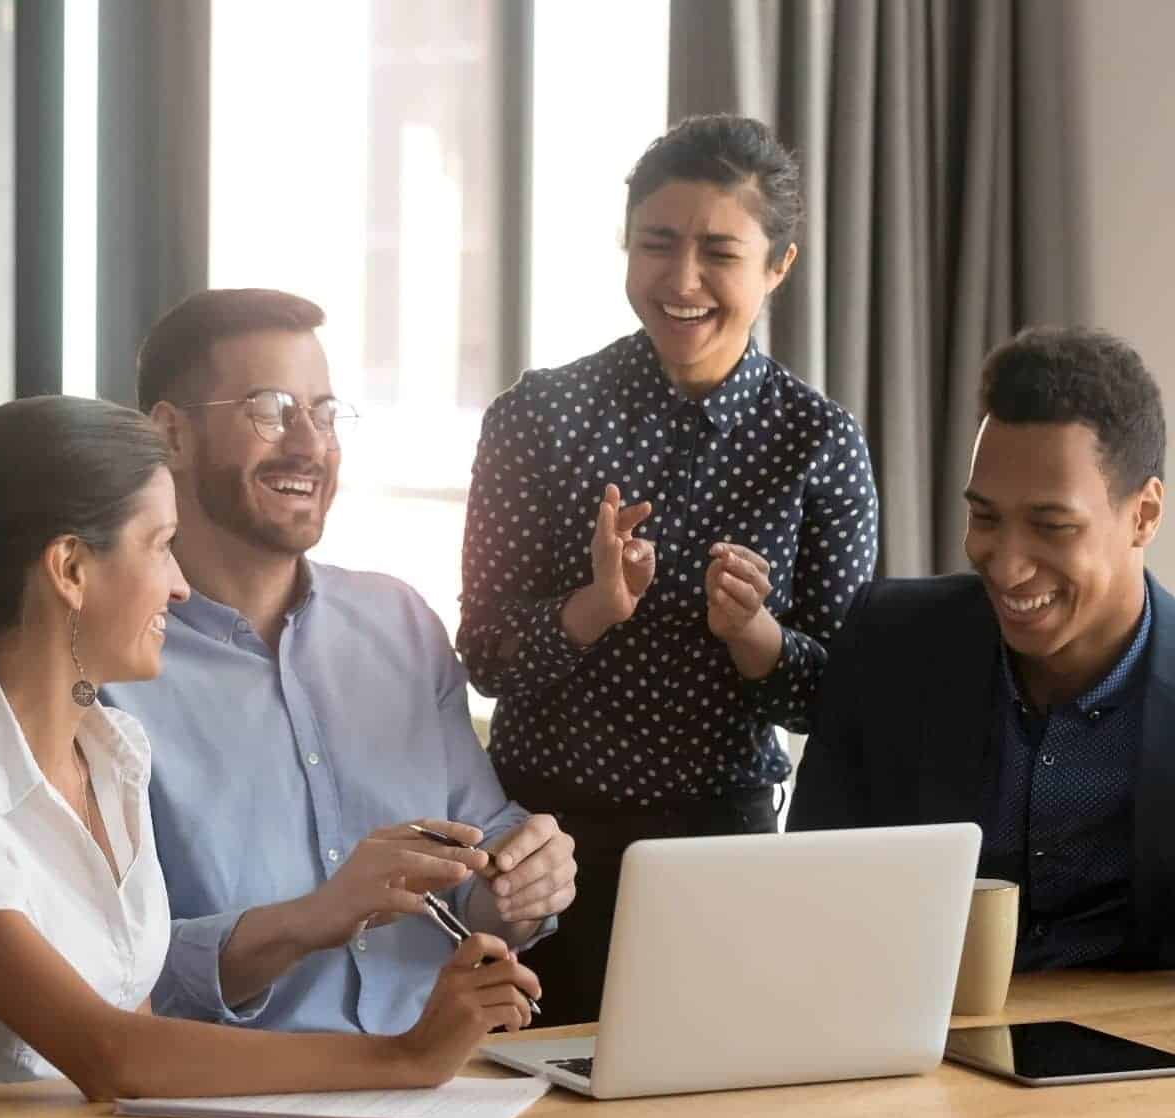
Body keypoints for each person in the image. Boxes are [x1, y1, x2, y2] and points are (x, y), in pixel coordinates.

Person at [0, 395, 539, 1096]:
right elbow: (109, 1053)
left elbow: (145, 1032)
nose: (180, 587)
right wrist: (406, 1058)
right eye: (159, 547)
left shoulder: (115, 752)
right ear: (70, 569)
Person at [457, 114, 879, 1024]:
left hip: (719, 845)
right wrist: (591, 609)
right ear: (627, 244)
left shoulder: (820, 442)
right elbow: (483, 654)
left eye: (719, 252)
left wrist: (757, 640)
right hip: (538, 845)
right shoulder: (536, 417)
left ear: (778, 267)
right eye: (658, 243)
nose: (682, 281)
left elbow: (844, 699)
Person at [102, 289, 575, 1037]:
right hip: (225, 1112)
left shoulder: (402, 624)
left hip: (450, 1083)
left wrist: (522, 880)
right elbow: (111, 974)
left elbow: (480, 846)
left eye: (323, 412)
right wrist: (312, 918)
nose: (309, 444)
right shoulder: (108, 674)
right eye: (271, 408)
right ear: (172, 435)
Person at [791, 326, 1175, 970]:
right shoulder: (886, 645)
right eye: (986, 518)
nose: (1007, 565)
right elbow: (808, 899)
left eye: (1052, 526)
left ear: (1143, 515)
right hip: (917, 1047)